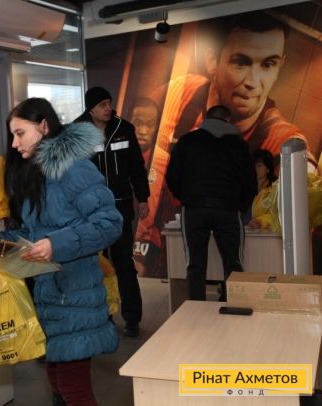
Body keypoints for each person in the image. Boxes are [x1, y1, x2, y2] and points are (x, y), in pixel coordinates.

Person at [135, 10, 316, 279]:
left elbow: (303, 196)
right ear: (212, 60)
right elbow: (151, 166)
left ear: (281, 65)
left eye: (268, 64)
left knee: (211, 269)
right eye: (241, 62)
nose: (252, 82)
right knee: (219, 267)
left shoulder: (284, 139)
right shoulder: (180, 93)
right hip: (171, 250)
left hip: (211, 223)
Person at [0, 97, 122, 405]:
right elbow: (32, 234)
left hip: (75, 295)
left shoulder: (74, 168)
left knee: (72, 387)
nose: (14, 144)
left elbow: (110, 223)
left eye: (20, 133)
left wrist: (56, 244)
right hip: (51, 295)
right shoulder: (38, 174)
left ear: (43, 126)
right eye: (12, 135)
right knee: (58, 380)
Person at [74, 86, 150, 337]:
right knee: (97, 266)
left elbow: (137, 167)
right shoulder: (76, 132)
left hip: (120, 208)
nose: (109, 108)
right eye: (103, 105)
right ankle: (102, 316)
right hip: (90, 212)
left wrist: (143, 197)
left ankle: (132, 318)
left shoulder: (124, 128)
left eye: (109, 103)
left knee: (124, 263)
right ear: (91, 109)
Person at [166, 105, 257, 302]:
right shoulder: (239, 144)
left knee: (195, 263)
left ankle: (197, 308)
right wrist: (240, 205)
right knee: (233, 263)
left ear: (205, 120)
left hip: (194, 209)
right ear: (228, 120)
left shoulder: (187, 141)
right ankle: (232, 304)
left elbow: (172, 176)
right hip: (228, 210)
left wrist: (186, 198)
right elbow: (250, 182)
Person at [246, 148, 278, 229]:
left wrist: (261, 221)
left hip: (265, 233)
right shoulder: (245, 188)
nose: (255, 169)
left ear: (268, 169)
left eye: (259, 165)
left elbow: (278, 214)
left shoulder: (275, 190)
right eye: (253, 165)